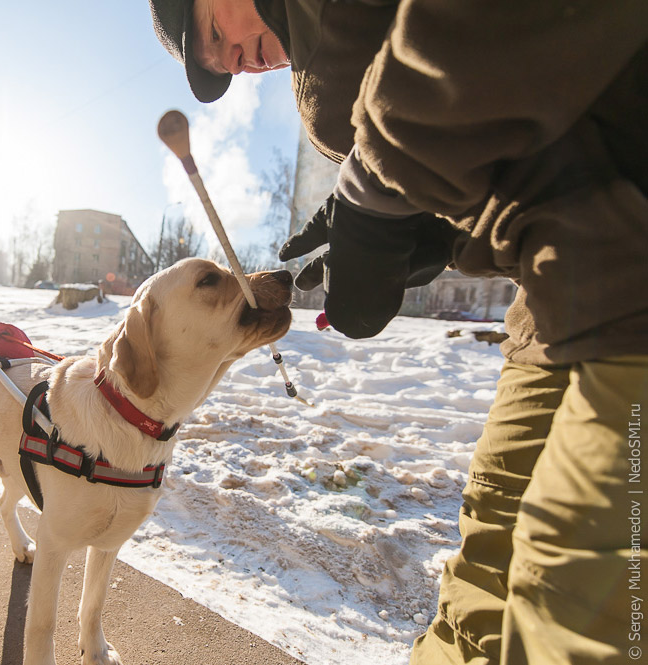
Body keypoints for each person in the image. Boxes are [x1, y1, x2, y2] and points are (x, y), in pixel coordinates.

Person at [148, 1, 648, 663]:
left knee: (579, 609)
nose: (238, 66)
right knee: (486, 559)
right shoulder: (327, 67)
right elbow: (516, 130)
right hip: (558, 280)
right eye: (223, 68)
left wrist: (375, 190)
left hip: (627, 268)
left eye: (216, 35)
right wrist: (433, 226)